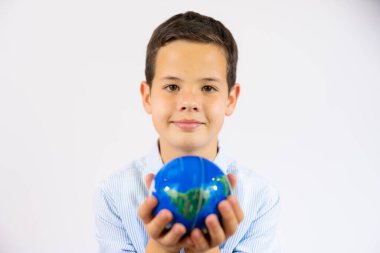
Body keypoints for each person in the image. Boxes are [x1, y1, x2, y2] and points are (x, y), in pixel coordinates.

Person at [94, 11, 281, 253]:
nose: (189, 102)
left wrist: (206, 249)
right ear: (147, 96)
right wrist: (161, 246)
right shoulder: (113, 194)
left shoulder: (260, 199)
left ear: (231, 99)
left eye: (208, 87)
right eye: (172, 86)